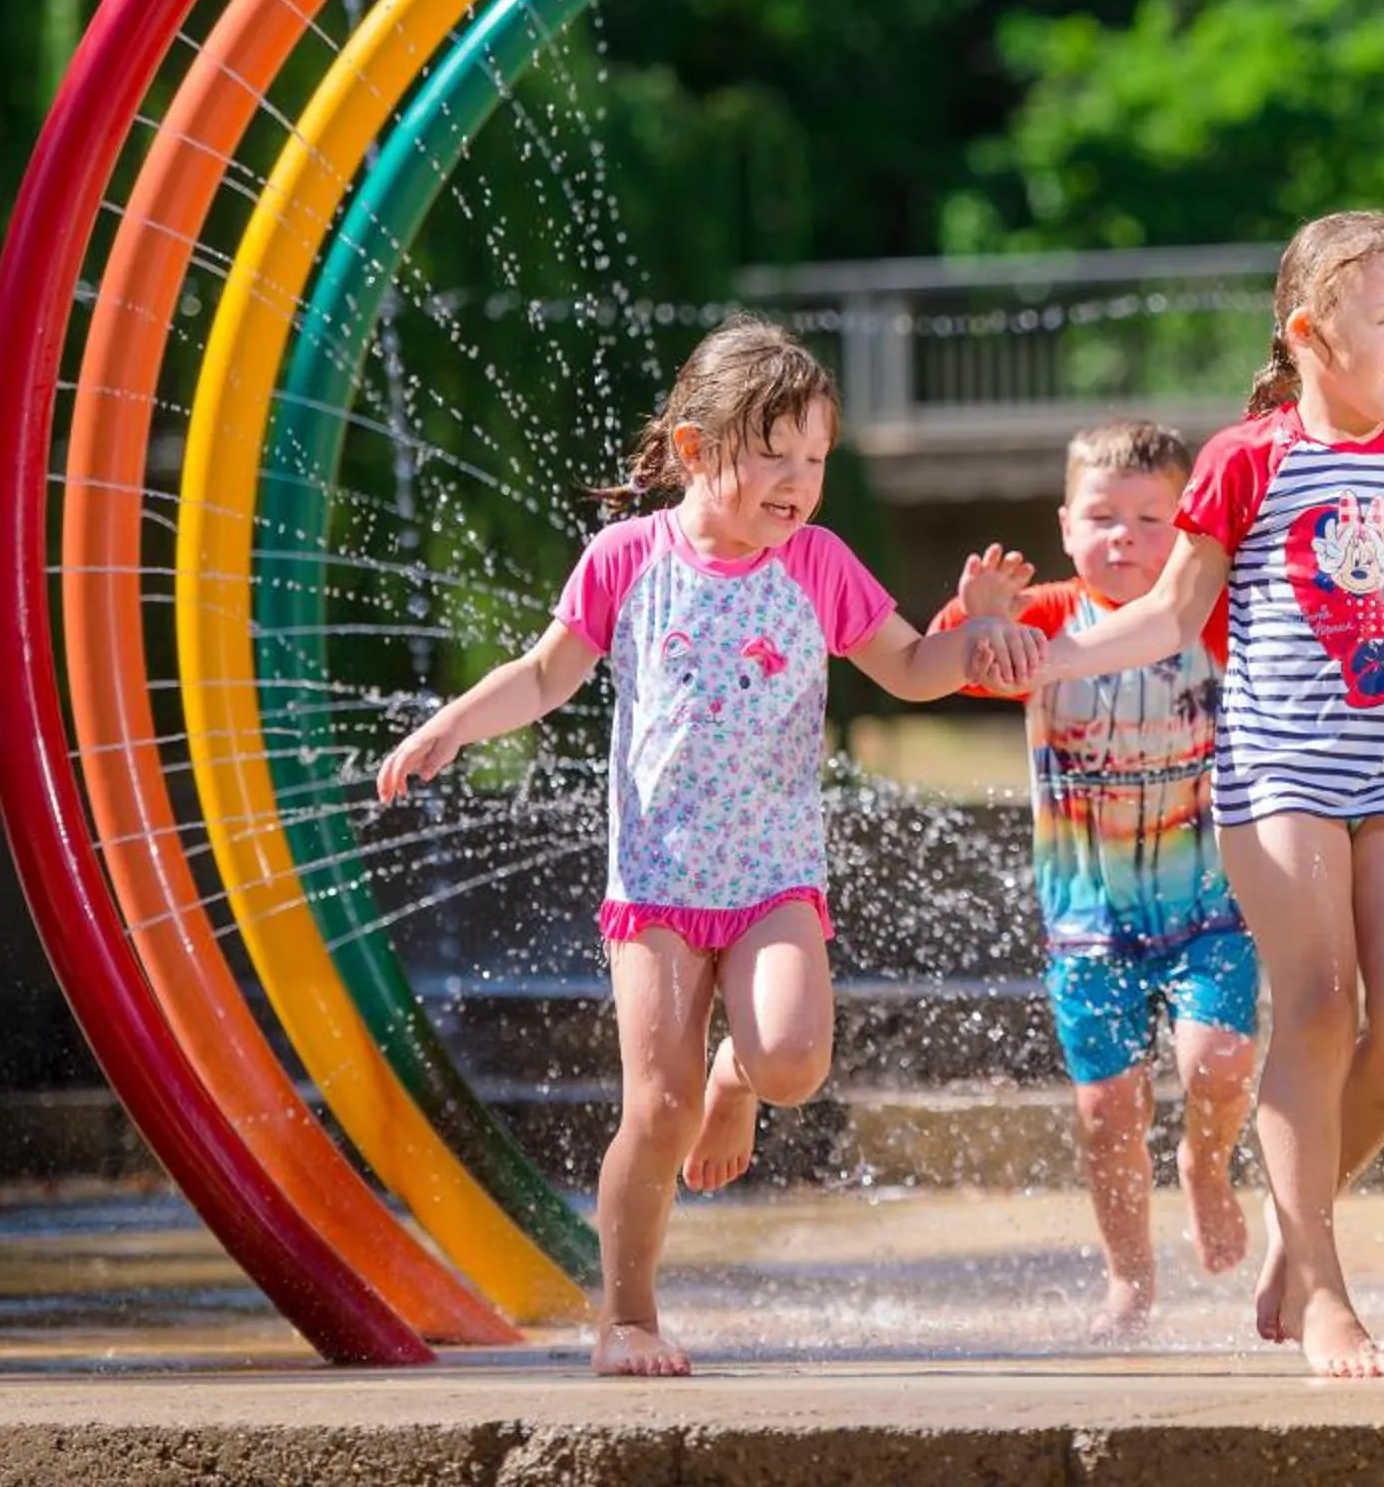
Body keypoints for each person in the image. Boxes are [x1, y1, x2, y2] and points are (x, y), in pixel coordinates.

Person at [374, 315, 1042, 1377]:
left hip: (773, 876)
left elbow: (912, 665)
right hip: (657, 884)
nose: (797, 480)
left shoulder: (817, 564)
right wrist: (455, 720)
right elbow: (547, 674)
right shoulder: (629, 558)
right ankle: (627, 1313)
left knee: (790, 1059)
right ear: (694, 449)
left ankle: (738, 1071)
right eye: (772, 453)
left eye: (815, 457)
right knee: (657, 1106)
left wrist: (979, 636)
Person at [1036, 211, 1384, 1379]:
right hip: (1277, 772)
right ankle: (1329, 1294)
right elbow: (1171, 613)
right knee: (1320, 1003)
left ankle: (1298, 1220)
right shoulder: (1249, 457)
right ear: (1308, 333)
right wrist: (1053, 655)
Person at [930, 420, 1257, 1338]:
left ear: (1190, 526)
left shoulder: (1213, 617)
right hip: (1088, 920)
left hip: (1210, 905)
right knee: (1108, 1106)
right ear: (1066, 527)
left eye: (1155, 518)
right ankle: (1130, 1278)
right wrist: (981, 618)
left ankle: (1205, 1162)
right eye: (1105, 517)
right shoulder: (1044, 623)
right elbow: (952, 665)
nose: (1127, 537)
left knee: (1218, 1061)